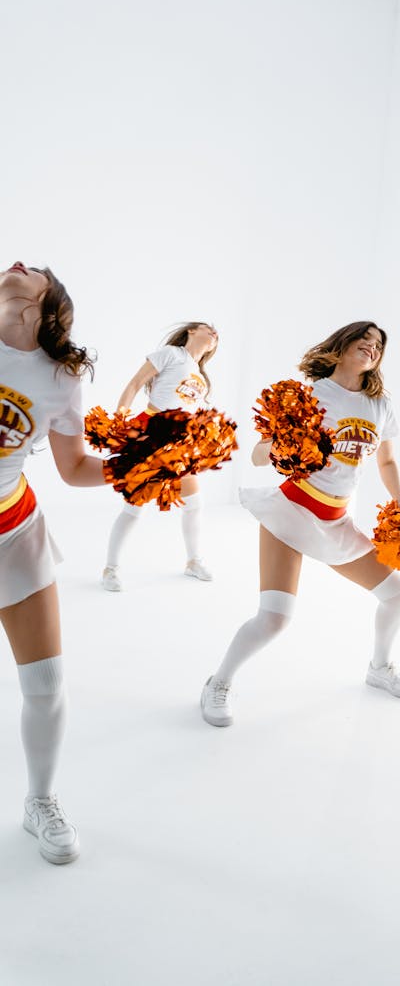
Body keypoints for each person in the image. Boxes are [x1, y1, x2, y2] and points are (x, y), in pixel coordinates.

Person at [200, 321, 400, 726]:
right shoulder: (313, 394)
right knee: (274, 619)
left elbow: (386, 460)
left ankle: (379, 668)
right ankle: (219, 682)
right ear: (342, 344)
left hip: (337, 521)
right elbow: (258, 455)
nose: (372, 347)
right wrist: (285, 444)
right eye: (364, 339)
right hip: (293, 512)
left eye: (379, 345)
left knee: (399, 595)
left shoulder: (380, 405)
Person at [0, 260, 105, 864]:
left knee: (44, 681)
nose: (16, 264)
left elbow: (74, 468)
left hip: (14, 532)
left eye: (34, 270)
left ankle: (39, 800)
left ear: (50, 307)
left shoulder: (60, 377)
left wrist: (144, 466)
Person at [101, 322, 219, 591]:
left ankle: (193, 561)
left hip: (181, 443)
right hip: (152, 432)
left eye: (217, 335)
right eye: (208, 328)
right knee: (134, 507)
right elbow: (134, 383)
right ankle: (110, 569)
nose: (214, 334)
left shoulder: (200, 375)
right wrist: (119, 419)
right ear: (191, 331)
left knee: (195, 503)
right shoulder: (171, 353)